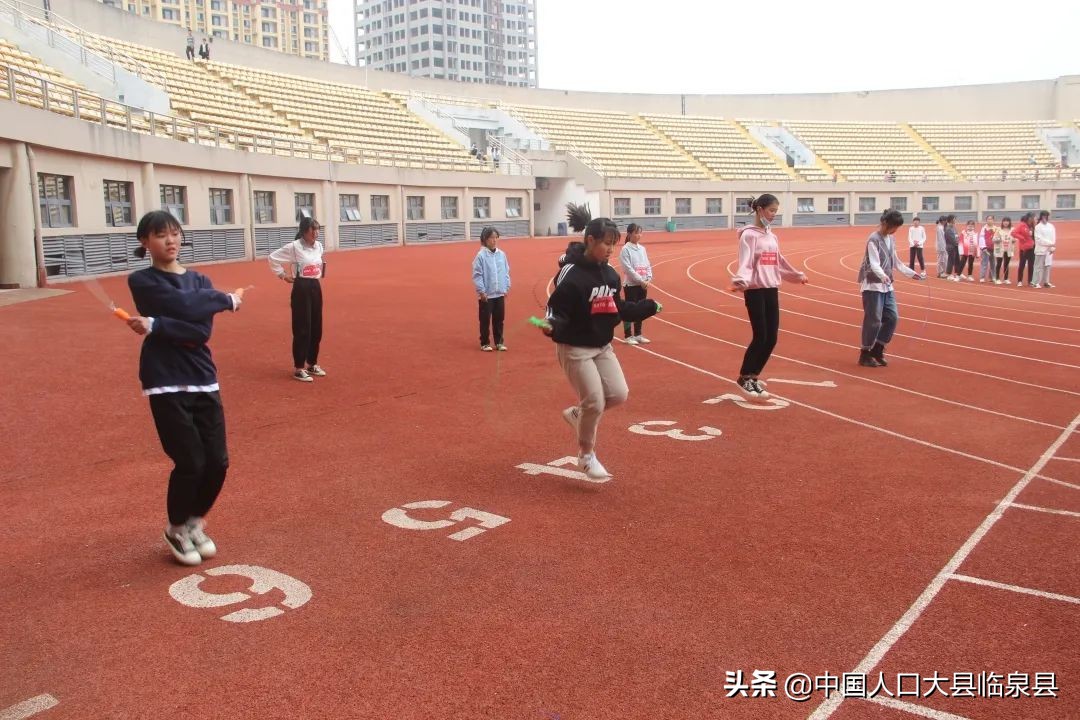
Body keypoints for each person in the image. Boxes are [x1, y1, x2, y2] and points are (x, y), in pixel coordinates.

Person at [124, 211, 245, 565]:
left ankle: (195, 521)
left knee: (218, 461)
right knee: (190, 460)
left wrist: (157, 325)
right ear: (144, 242)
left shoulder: (200, 279)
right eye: (160, 235)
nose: (170, 240)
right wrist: (226, 299)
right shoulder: (142, 281)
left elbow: (199, 331)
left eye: (174, 233)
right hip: (164, 380)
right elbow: (183, 306)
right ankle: (176, 528)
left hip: (203, 377)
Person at [541, 203, 661, 480]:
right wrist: (553, 324)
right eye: (606, 244)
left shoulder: (609, 275)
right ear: (590, 240)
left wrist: (647, 307)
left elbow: (616, 308)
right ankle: (586, 456)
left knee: (618, 394)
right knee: (594, 401)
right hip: (575, 347)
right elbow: (554, 308)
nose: (610, 249)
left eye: (613, 245)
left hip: (602, 345)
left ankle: (577, 415)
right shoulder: (571, 274)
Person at [729, 194, 808, 400]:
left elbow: (779, 262)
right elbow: (745, 262)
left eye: (776, 211)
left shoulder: (772, 237)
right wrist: (741, 281)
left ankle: (754, 376)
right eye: (771, 210)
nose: (774, 215)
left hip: (771, 289)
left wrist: (796, 275)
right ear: (760, 210)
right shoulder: (749, 236)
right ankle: (745, 376)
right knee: (760, 336)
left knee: (772, 338)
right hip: (755, 290)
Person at [857, 209, 924, 367]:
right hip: (873, 285)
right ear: (885, 223)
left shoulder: (891, 239)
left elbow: (896, 262)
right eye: (894, 226)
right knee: (873, 320)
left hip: (886, 287)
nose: (895, 230)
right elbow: (874, 263)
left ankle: (878, 349)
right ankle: (865, 353)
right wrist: (883, 276)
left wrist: (912, 274)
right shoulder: (873, 239)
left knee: (892, 317)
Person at [268, 217, 327, 382]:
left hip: (315, 286)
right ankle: (299, 367)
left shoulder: (319, 246)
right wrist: (282, 275)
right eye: (312, 230)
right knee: (302, 327)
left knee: (316, 327)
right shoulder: (293, 247)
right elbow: (272, 258)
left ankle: (312, 363)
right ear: (303, 231)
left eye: (317, 229)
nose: (316, 233)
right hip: (301, 287)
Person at [471, 226, 511, 351]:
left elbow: (506, 272)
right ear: (485, 240)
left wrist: (506, 287)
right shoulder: (480, 256)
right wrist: (481, 291)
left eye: (496, 237)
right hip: (486, 295)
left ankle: (499, 342)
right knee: (485, 320)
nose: (494, 240)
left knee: (499, 319)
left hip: (499, 293)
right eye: (491, 238)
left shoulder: (501, 254)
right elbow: (477, 275)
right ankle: (485, 343)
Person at [618, 223, 653, 345]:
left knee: (641, 309)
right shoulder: (625, 249)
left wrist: (648, 278)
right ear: (629, 234)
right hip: (631, 285)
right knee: (629, 309)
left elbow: (647, 264)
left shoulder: (642, 249)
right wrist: (641, 280)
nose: (639, 235)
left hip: (643, 284)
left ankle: (638, 334)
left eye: (640, 233)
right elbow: (628, 269)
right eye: (637, 233)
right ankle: (628, 335)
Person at [1032, 210, 1057, 288]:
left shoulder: (1051, 226)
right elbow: (1039, 239)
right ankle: (1035, 282)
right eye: (1047, 216)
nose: (1049, 217)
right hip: (1041, 249)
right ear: (1043, 216)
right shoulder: (1038, 227)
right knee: (1038, 266)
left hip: (1049, 249)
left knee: (1047, 265)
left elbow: (1053, 237)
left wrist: (1052, 246)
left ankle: (1046, 282)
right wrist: (1049, 243)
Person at [1013, 213, 1035, 287]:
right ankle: (1019, 281)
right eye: (1032, 217)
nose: (1033, 219)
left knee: (1031, 265)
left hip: (1032, 248)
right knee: (1022, 264)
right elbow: (1014, 233)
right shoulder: (1022, 225)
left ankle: (1030, 281)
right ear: (1029, 218)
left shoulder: (1032, 226)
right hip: (1023, 248)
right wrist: (1022, 238)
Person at [993, 217, 1015, 285]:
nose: (1006, 222)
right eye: (1004, 221)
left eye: (1007, 221)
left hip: (1008, 249)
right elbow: (994, 239)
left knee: (1006, 264)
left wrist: (1014, 240)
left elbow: (1014, 238)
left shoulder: (1012, 230)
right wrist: (998, 239)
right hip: (1000, 249)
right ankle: (997, 278)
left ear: (1009, 222)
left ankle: (1006, 279)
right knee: (999, 264)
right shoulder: (999, 229)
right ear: (1002, 222)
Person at [978, 215, 997, 282]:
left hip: (993, 248)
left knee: (993, 263)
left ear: (993, 220)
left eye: (991, 219)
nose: (990, 220)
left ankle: (992, 277)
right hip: (985, 249)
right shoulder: (983, 228)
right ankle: (982, 277)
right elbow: (981, 238)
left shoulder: (996, 229)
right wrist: (983, 247)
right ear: (986, 220)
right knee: (984, 263)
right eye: (988, 219)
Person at [943, 215, 961, 281]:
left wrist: (958, 241)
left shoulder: (953, 227)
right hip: (951, 247)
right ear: (951, 220)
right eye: (954, 219)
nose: (955, 220)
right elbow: (952, 240)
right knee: (951, 260)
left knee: (957, 260)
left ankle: (958, 273)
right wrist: (959, 243)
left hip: (955, 246)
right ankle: (948, 274)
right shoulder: (948, 229)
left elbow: (957, 236)